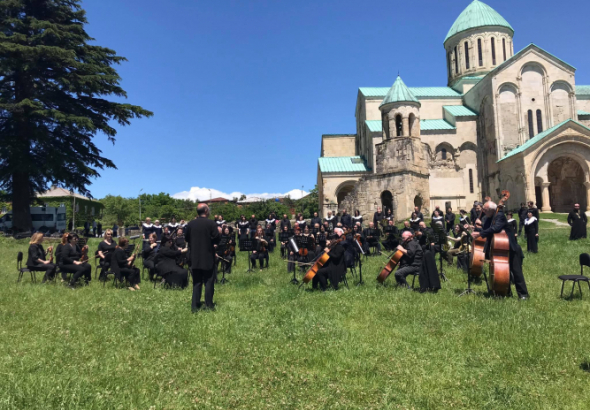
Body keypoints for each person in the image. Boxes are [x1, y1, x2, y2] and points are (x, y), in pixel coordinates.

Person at [471, 201, 529, 299]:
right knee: (505, 272)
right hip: (501, 247)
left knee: (516, 271)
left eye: (485, 210)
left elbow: (495, 228)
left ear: (491, 210)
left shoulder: (500, 215)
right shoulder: (490, 217)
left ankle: (523, 294)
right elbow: (487, 229)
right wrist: (477, 226)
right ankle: (506, 291)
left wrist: (480, 234)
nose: (483, 211)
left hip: (510, 247)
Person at [185, 204, 220, 311]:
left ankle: (195, 306)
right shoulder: (211, 223)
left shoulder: (191, 224)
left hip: (194, 257)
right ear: (205, 210)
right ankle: (209, 305)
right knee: (209, 282)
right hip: (208, 257)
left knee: (197, 282)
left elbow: (187, 238)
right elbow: (217, 239)